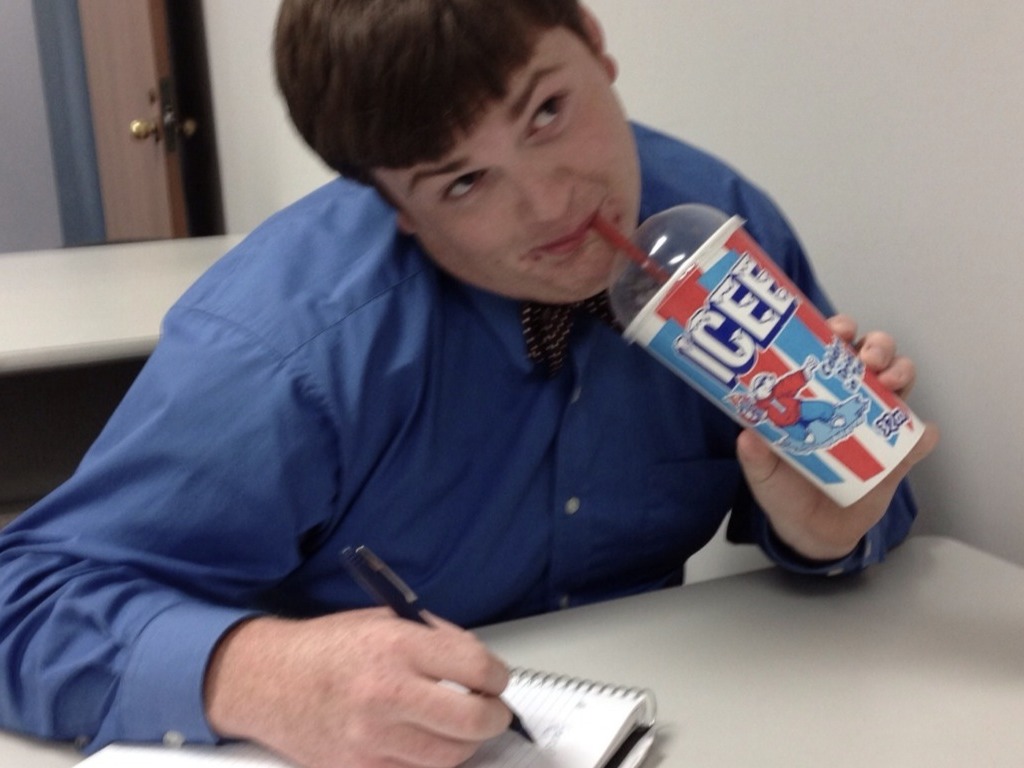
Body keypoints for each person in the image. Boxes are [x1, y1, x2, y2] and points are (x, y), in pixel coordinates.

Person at [0, 2, 937, 767]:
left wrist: (822, 528)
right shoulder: (286, 348)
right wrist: (257, 676)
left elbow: (855, 501)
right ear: (395, 210)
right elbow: (24, 596)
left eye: (547, 111)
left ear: (596, 47)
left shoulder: (721, 227)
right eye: (460, 182)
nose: (554, 203)